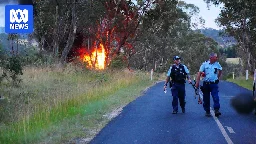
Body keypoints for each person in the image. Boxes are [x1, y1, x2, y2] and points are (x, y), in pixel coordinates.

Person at [195, 52, 222, 117]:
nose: (217, 58)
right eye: (215, 57)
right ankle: (207, 111)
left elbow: (220, 70)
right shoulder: (204, 64)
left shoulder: (217, 64)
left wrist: (218, 77)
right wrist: (197, 82)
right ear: (211, 57)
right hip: (206, 84)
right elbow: (199, 73)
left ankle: (216, 110)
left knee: (216, 97)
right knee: (206, 98)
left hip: (214, 84)